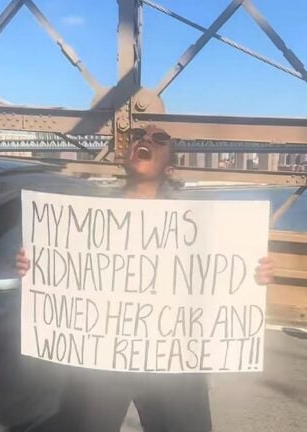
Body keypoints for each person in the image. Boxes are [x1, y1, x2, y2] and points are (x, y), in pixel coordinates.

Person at [15, 124, 275, 432]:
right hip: (102, 356)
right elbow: (67, 270)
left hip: (173, 360)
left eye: (159, 139)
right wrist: (35, 265)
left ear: (171, 166)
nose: (145, 140)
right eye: (139, 136)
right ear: (124, 156)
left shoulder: (199, 222)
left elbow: (224, 274)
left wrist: (254, 275)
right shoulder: (87, 214)